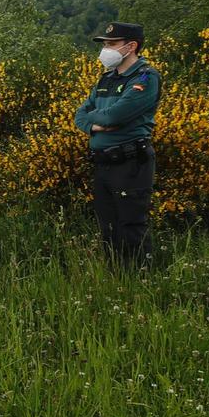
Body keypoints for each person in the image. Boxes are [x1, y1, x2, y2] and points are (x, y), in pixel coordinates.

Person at [72, 21, 162, 266]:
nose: (106, 49)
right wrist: (96, 123)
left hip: (131, 162)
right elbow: (79, 116)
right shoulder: (106, 79)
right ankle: (117, 277)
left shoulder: (145, 77)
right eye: (105, 44)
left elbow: (115, 116)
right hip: (102, 163)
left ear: (131, 46)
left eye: (112, 43)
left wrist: (98, 120)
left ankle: (141, 279)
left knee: (131, 224)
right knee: (108, 226)